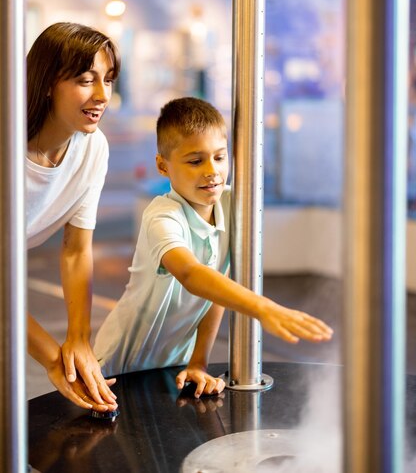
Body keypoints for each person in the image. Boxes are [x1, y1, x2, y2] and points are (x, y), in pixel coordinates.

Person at [94, 97, 333, 397]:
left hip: (173, 366)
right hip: (118, 368)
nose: (212, 171)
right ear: (162, 166)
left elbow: (215, 292)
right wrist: (264, 308)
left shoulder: (235, 204)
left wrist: (199, 362)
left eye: (220, 158)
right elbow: (193, 275)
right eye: (196, 161)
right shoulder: (162, 216)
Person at [26, 22, 120, 412]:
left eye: (108, 80)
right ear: (47, 82)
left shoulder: (92, 148)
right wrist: (55, 360)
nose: (101, 96)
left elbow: (75, 250)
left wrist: (78, 339)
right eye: (85, 80)